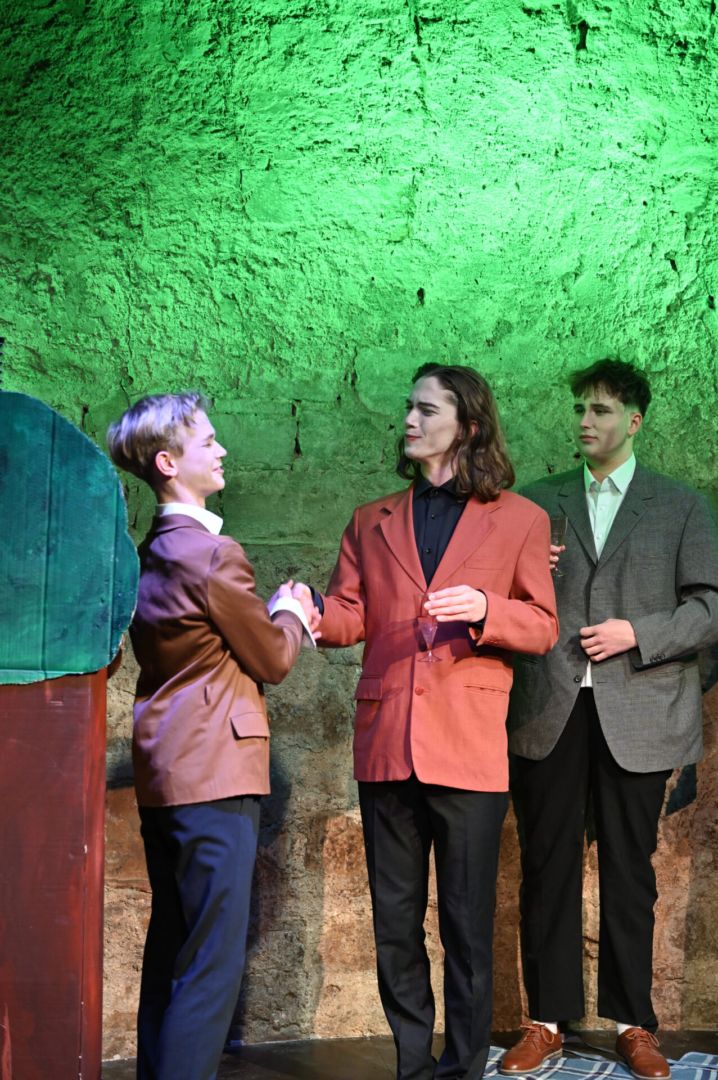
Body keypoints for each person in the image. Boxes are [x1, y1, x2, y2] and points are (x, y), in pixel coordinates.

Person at [296, 364, 559, 1080]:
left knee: (467, 929)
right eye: (408, 408)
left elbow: (542, 625)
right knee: (395, 926)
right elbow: (350, 614)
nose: (408, 420)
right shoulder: (371, 519)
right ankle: (412, 1066)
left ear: (467, 425)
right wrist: (310, 612)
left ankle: (461, 1068)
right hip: (387, 742)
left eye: (426, 410)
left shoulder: (520, 519)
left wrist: (486, 609)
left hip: (468, 746)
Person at [502, 359, 718, 1080]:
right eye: (579, 409)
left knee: (630, 868)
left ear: (634, 420)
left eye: (599, 409)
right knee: (547, 864)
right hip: (551, 706)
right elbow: (502, 597)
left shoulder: (680, 505)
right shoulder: (535, 503)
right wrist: (524, 572)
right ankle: (546, 1021)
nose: (585, 421)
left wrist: (638, 633)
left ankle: (633, 1024)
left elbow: (710, 607)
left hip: (641, 708)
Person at [107, 393, 319, 1080]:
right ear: (169, 463)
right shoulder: (212, 555)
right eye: (207, 441)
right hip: (217, 774)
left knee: (173, 947)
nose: (222, 449)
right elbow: (273, 659)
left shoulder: (152, 552)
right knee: (210, 966)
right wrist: (291, 610)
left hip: (166, 770)